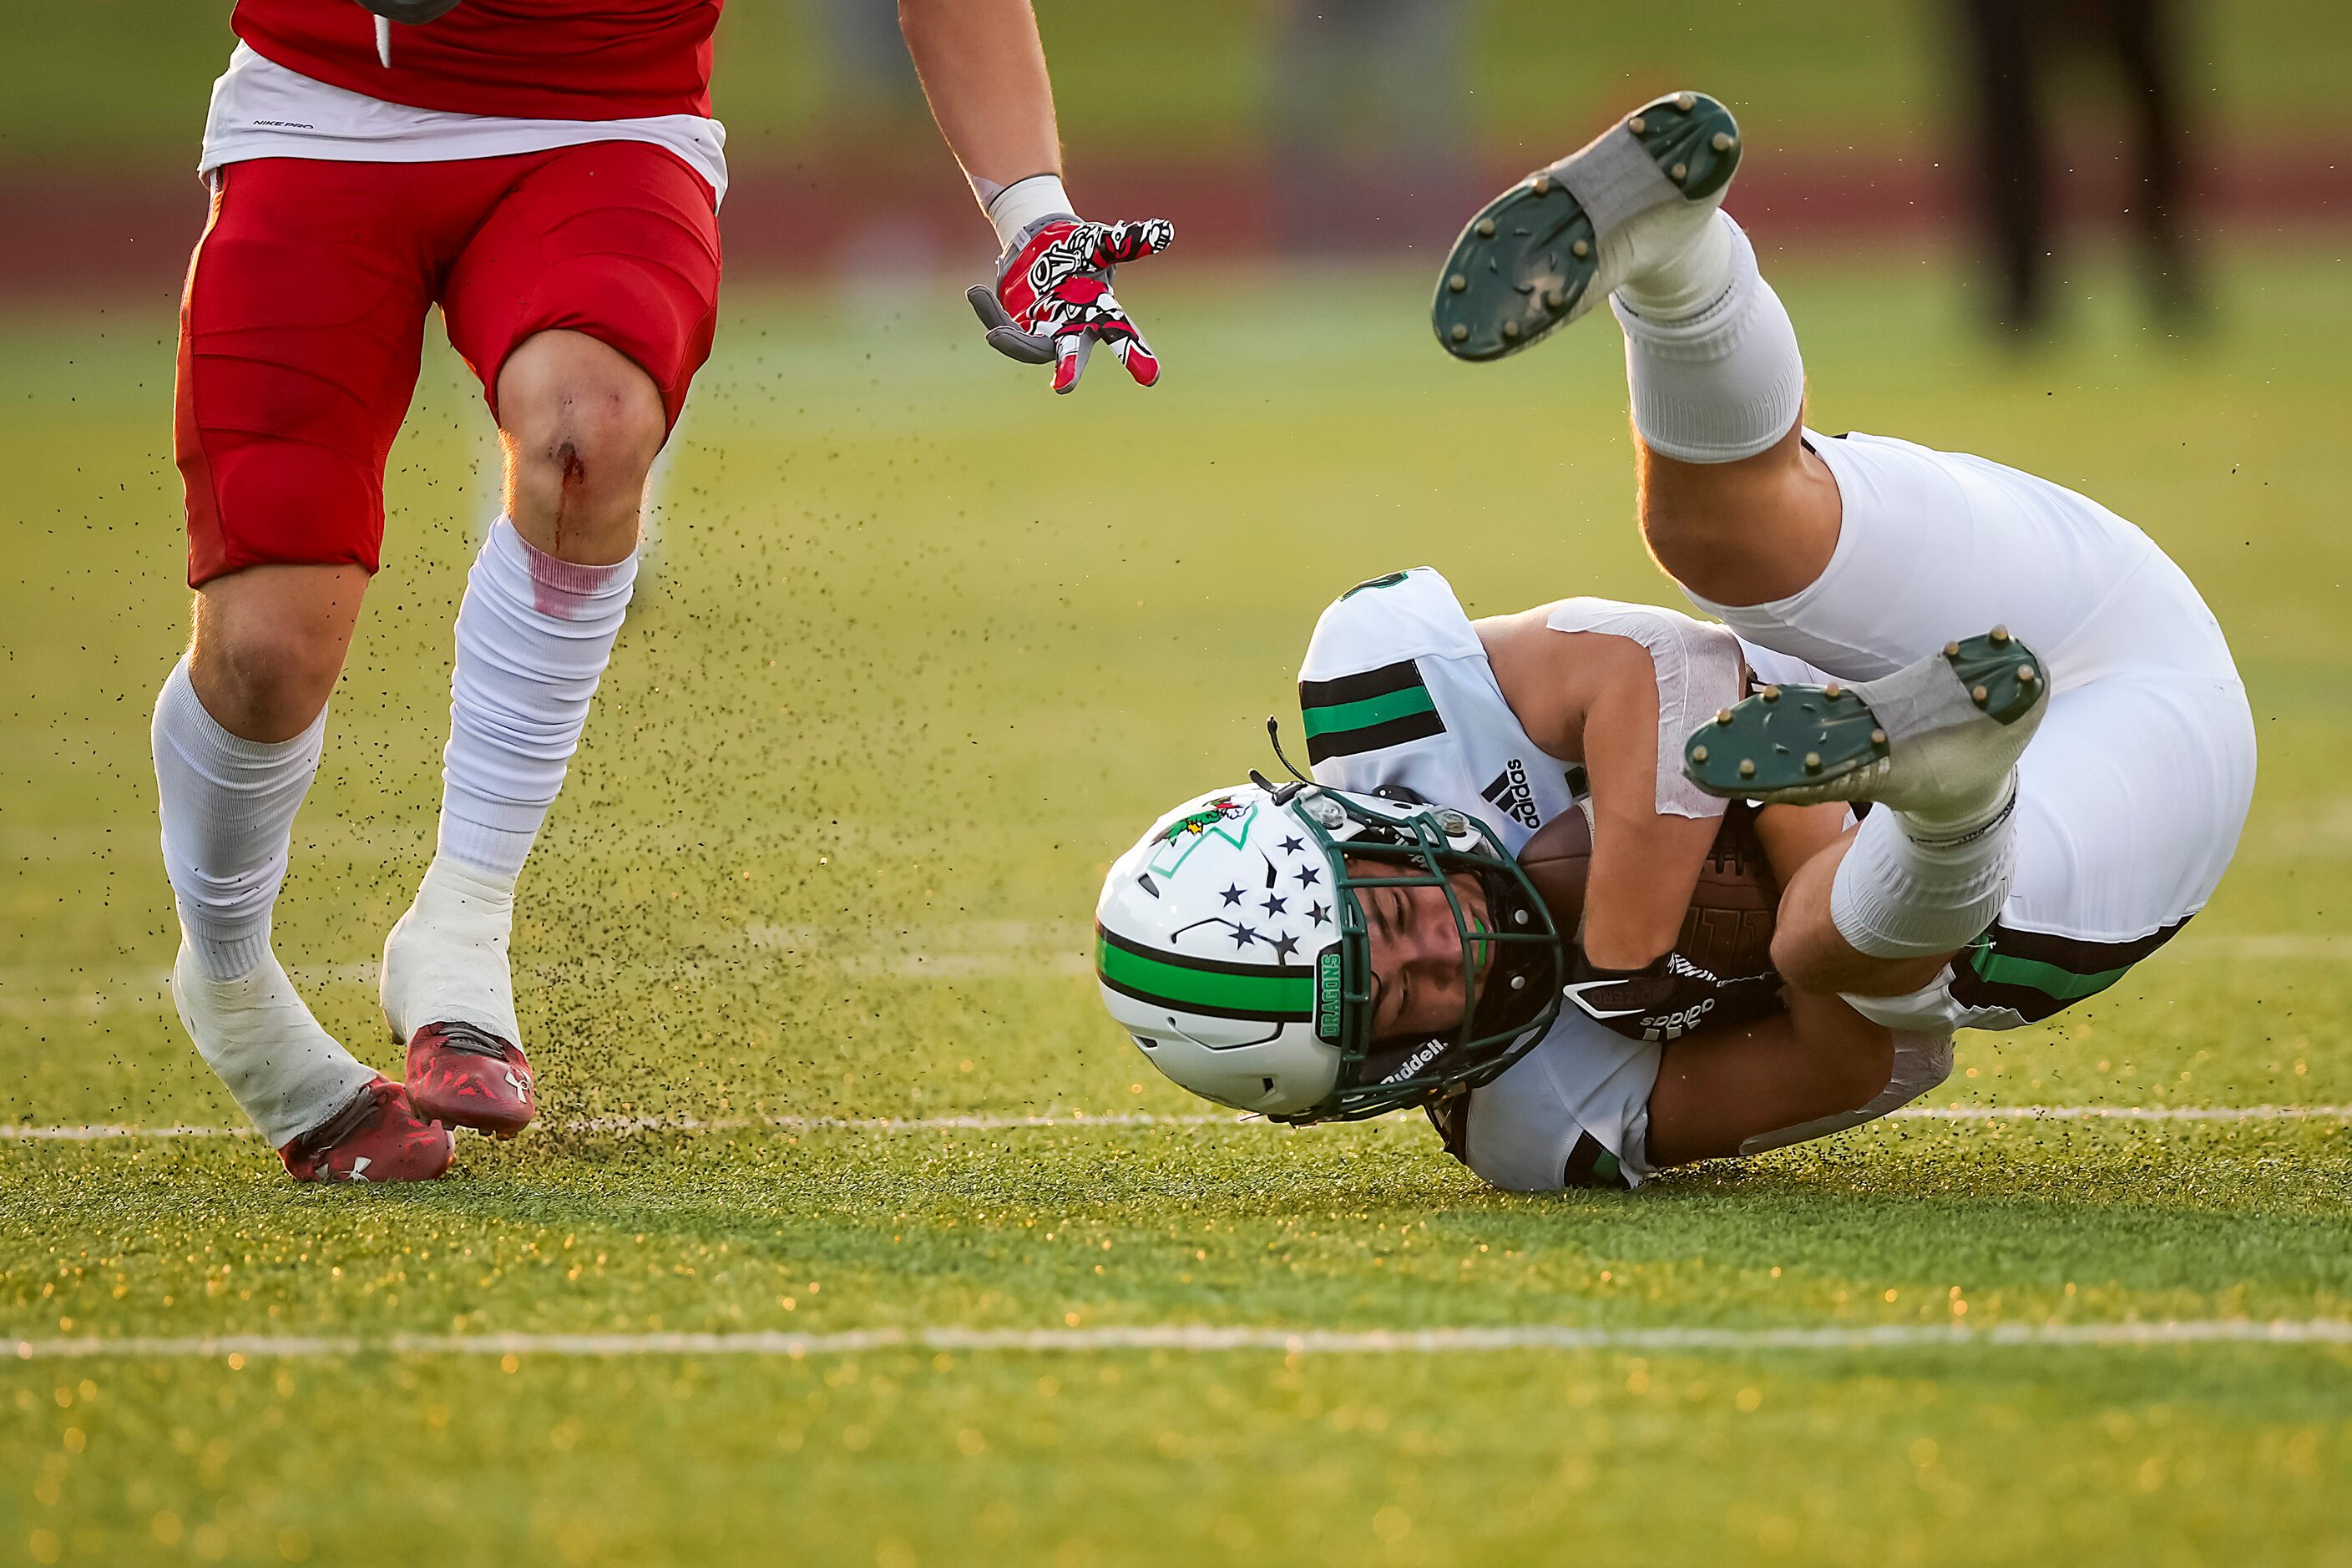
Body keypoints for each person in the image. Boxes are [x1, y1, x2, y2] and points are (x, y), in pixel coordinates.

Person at [1096, 91, 2253, 1191]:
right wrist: (1782, 851)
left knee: (1723, 532)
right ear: (1363, 1085)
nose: (1437, 956)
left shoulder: (1382, 692)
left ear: (1351, 831)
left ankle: (1674, 256)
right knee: (1823, 945)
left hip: (2052, 601)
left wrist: (1629, 942)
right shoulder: (1524, 1120)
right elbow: (1859, 1065)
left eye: (1392, 919)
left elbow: (1670, 664)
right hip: (2134, 783)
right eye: (1398, 1002)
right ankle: (1942, 798)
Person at [159, 0, 1173, 1182]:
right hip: (323, 111)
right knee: (268, 648)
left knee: (593, 431)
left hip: (604, 113)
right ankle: (228, 976)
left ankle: (464, 919)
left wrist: (1032, 213)